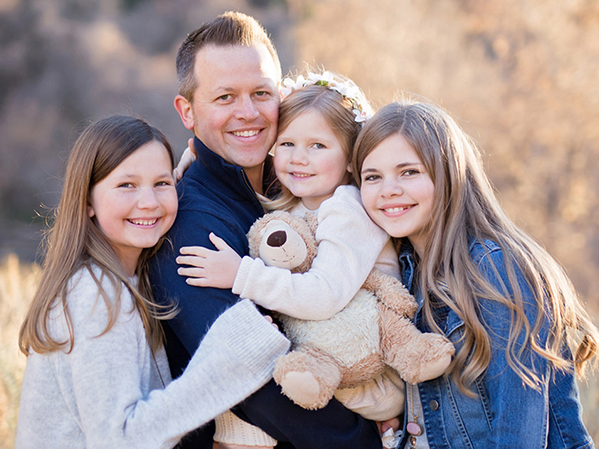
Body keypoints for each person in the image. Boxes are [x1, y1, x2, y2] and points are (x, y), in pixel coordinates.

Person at [176, 70, 455, 449]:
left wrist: (241, 274)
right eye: (287, 143)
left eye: (318, 146)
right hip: (327, 357)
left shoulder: (348, 209)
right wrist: (194, 159)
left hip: (367, 367)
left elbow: (323, 295)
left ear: (353, 158)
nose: (298, 159)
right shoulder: (298, 198)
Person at [149, 12, 386, 449]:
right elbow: (253, 376)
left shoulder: (297, 184)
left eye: (261, 93)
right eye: (225, 97)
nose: (248, 113)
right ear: (187, 111)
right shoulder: (189, 224)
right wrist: (366, 441)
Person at [15, 115, 290, 449]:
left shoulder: (130, 278)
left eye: (161, 184)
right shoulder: (94, 292)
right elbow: (121, 439)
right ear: (87, 201)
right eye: (126, 185)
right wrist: (228, 357)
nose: (148, 202)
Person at [352, 99, 599, 448]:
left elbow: (519, 435)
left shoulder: (494, 270)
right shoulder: (402, 273)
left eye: (409, 172)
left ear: (447, 172)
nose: (388, 189)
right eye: (372, 177)